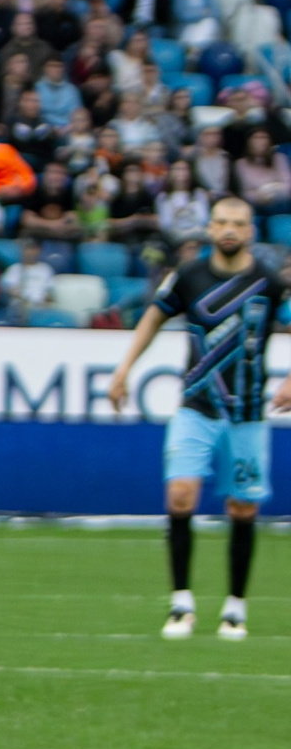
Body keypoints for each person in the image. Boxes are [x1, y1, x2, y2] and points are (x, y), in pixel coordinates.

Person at [107, 197, 284, 642]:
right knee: (180, 495)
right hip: (196, 407)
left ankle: (235, 608)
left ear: (250, 230)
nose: (229, 229)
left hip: (246, 414)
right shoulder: (189, 275)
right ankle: (181, 603)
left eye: (238, 223)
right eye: (222, 222)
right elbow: (153, 317)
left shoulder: (268, 279)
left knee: (242, 508)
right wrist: (124, 368)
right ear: (209, 228)